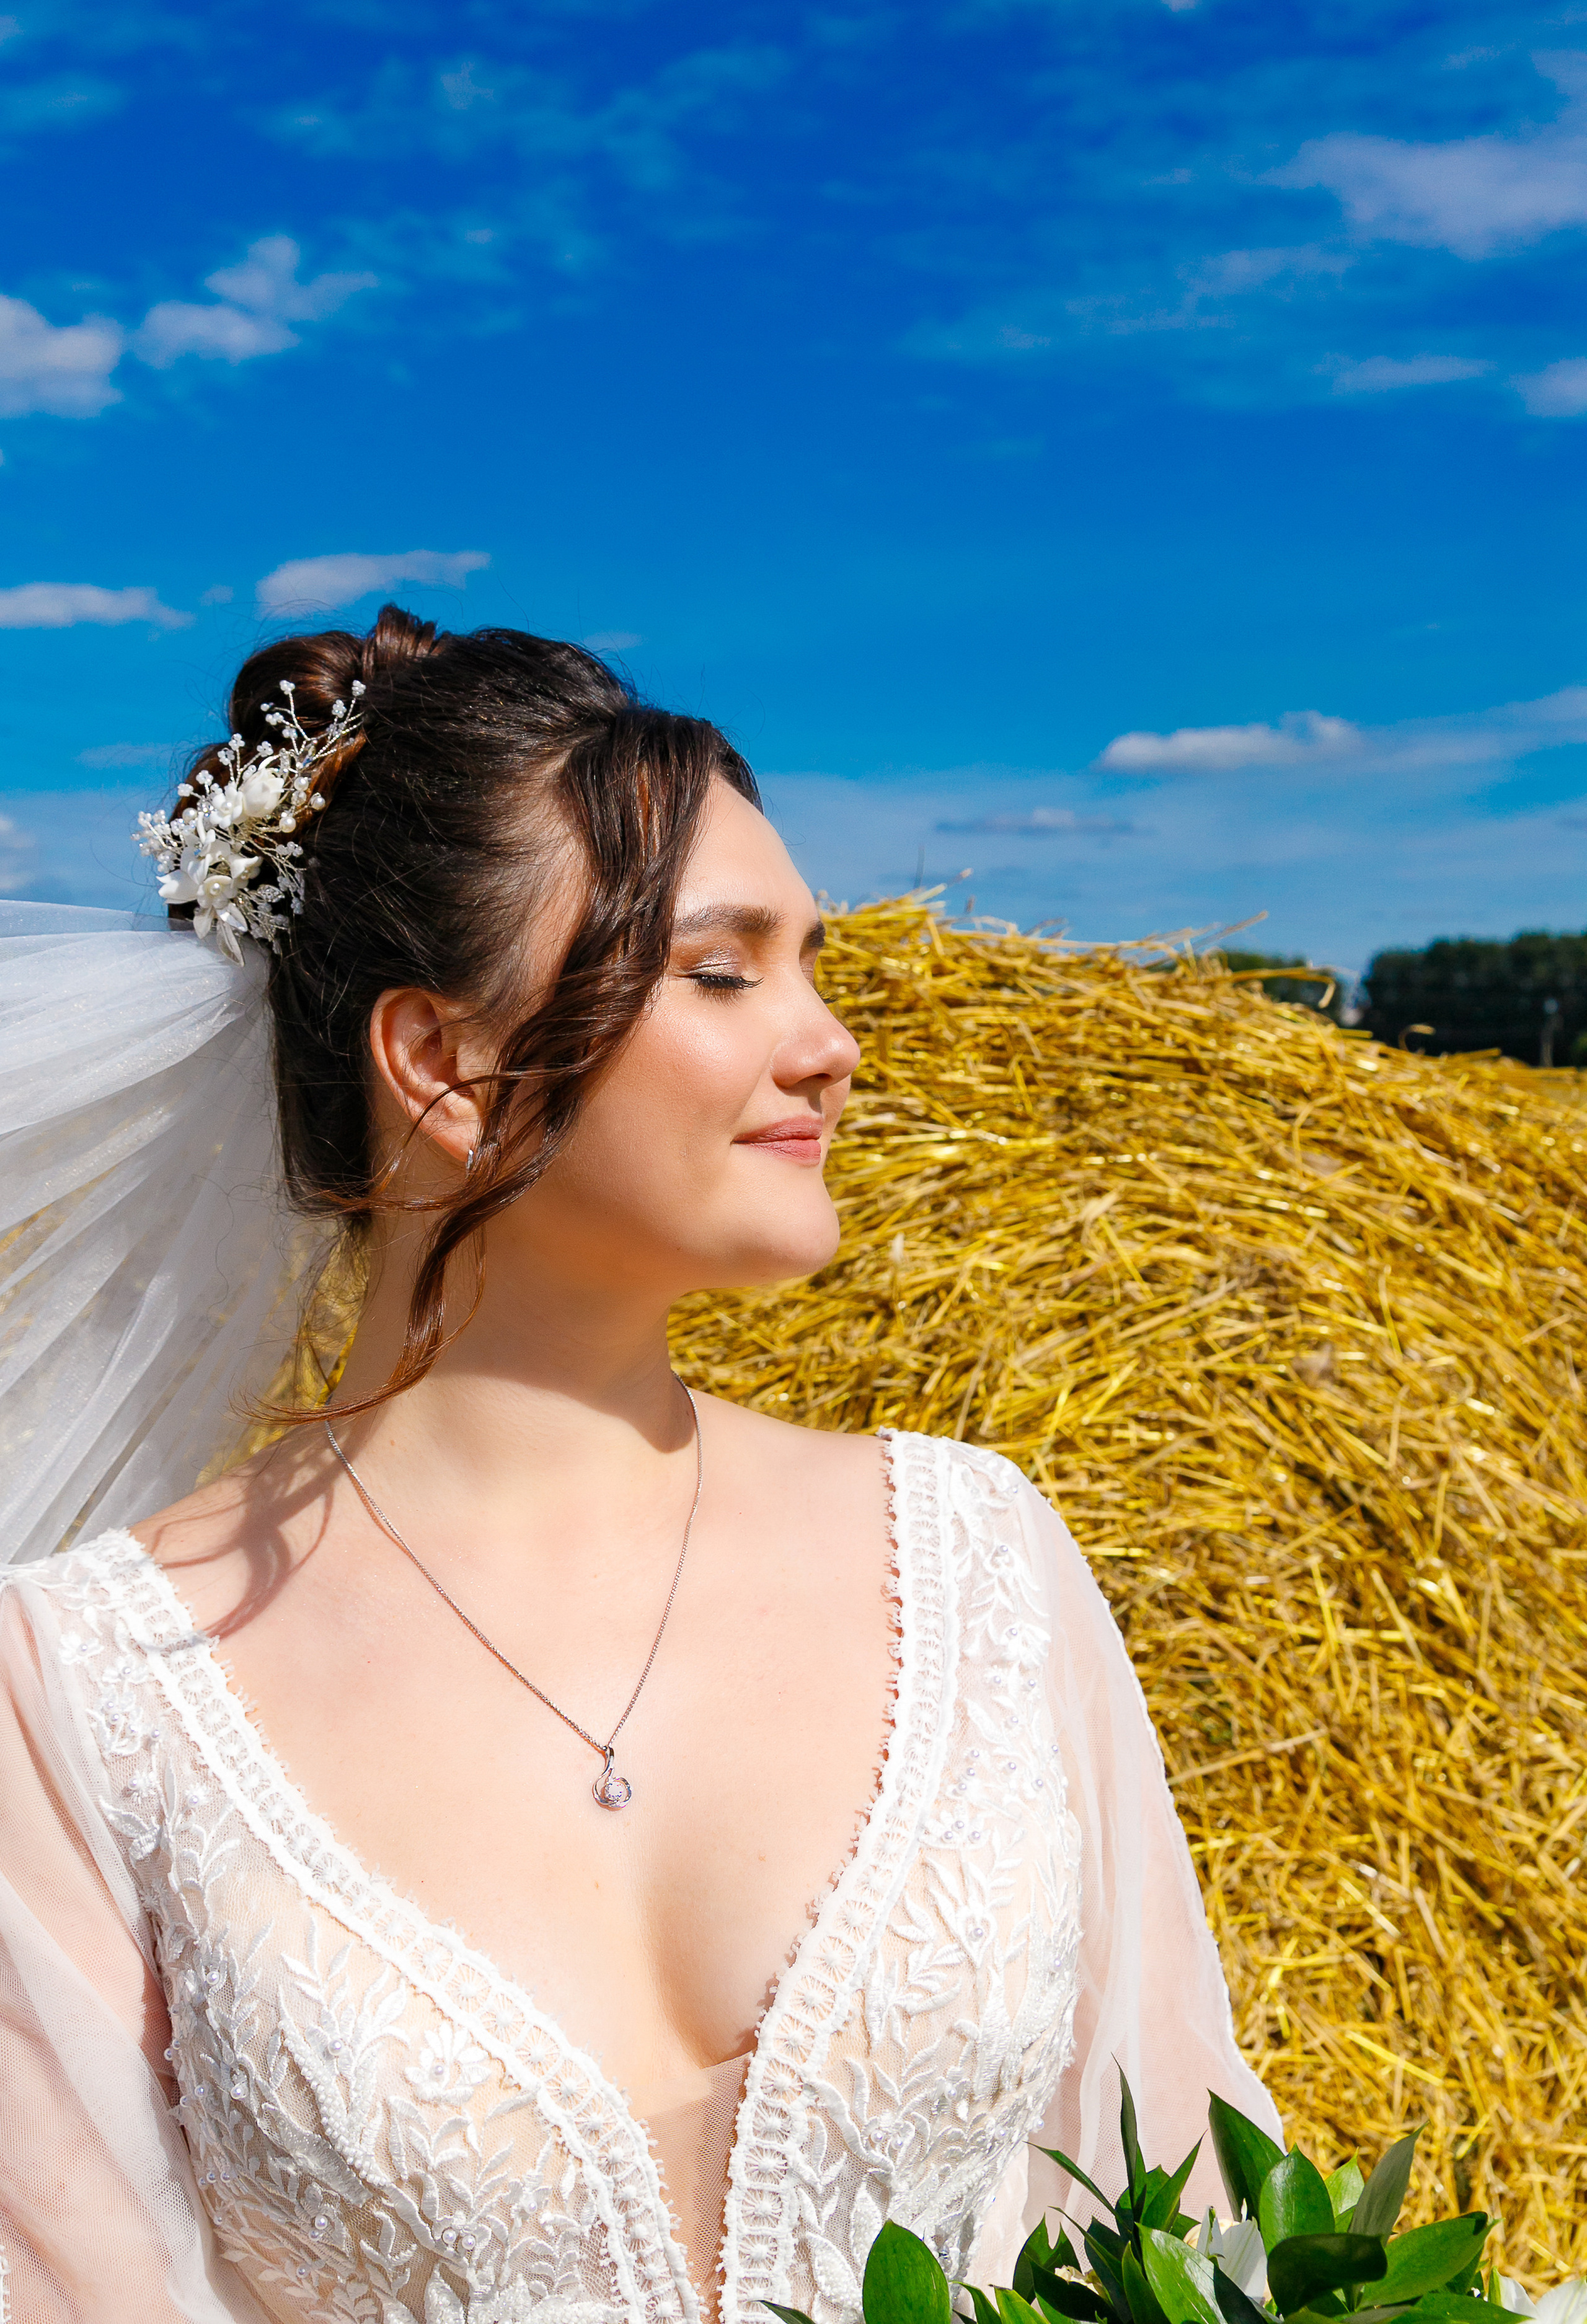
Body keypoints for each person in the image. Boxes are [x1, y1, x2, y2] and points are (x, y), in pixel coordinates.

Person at [0, 608, 1278, 2324]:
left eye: (813, 963)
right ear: (441, 1064)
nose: (829, 1043)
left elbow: (1190, 2213)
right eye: (726, 970)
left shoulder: (980, 1562)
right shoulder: (80, 1693)